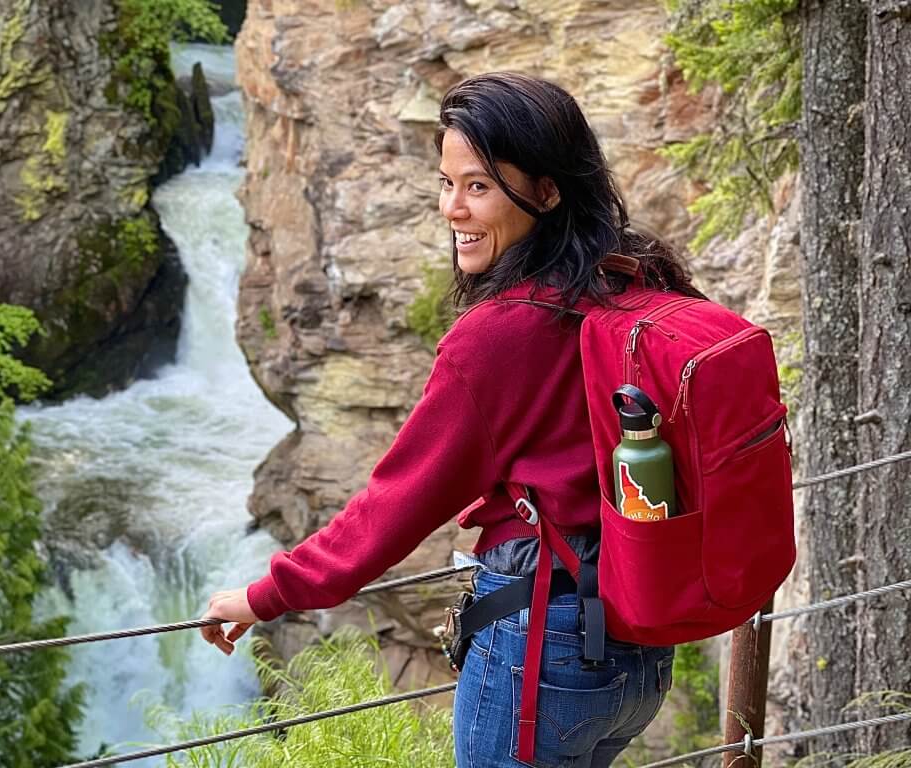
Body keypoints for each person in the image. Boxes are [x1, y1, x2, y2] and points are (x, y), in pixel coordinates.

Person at [201, 72, 705, 767]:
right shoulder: (631, 276)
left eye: (479, 186)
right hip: (635, 653)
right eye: (446, 183)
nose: (453, 209)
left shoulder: (499, 334)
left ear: (547, 191)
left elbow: (395, 505)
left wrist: (267, 594)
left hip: (543, 647)